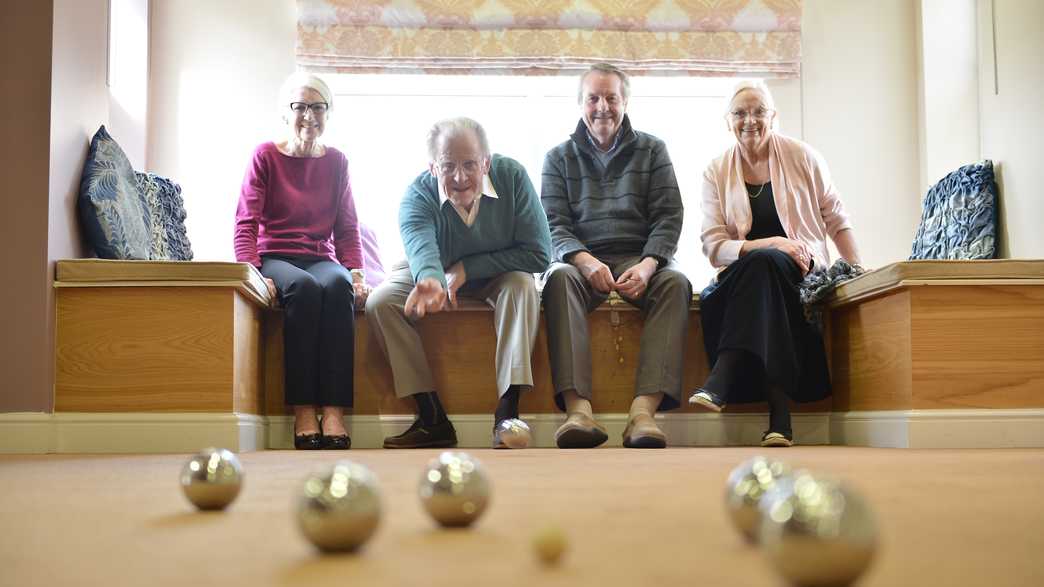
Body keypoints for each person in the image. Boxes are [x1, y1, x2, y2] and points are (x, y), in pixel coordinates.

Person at [691, 79, 862, 447]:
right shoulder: (715, 170)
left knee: (767, 269)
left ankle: (723, 377)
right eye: (740, 113)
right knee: (764, 266)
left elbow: (836, 219)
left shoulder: (804, 157)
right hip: (741, 278)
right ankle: (779, 419)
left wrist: (857, 273)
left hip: (801, 271)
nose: (749, 120)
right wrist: (773, 242)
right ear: (727, 121)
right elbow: (713, 246)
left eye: (759, 111)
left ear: (774, 117)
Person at [366, 117, 552, 449]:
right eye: (448, 166)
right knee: (380, 302)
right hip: (436, 266)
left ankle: (508, 412)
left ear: (486, 162)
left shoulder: (512, 177)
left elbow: (539, 255)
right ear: (433, 168)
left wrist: (469, 267)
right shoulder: (416, 197)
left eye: (470, 165)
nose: (460, 177)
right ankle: (432, 417)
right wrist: (431, 279)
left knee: (522, 286)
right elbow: (422, 247)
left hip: (500, 270)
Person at [541, 63, 690, 449]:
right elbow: (553, 223)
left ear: (625, 102)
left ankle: (642, 413)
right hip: (582, 260)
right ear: (580, 104)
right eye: (593, 98)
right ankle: (579, 411)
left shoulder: (653, 149)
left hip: (639, 257)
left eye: (611, 98)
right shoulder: (557, 157)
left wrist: (649, 263)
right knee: (557, 279)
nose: (602, 107)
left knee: (676, 283)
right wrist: (584, 260)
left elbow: (669, 216)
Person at [234, 72, 370, 450]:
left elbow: (346, 225)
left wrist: (356, 272)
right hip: (275, 255)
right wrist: (252, 271)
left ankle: (334, 411)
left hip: (319, 255)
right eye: (300, 106)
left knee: (338, 284)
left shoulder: (338, 162)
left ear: (328, 113)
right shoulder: (265, 155)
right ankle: (304, 410)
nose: (308, 115)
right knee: (306, 289)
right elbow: (246, 220)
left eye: (317, 107)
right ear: (285, 113)